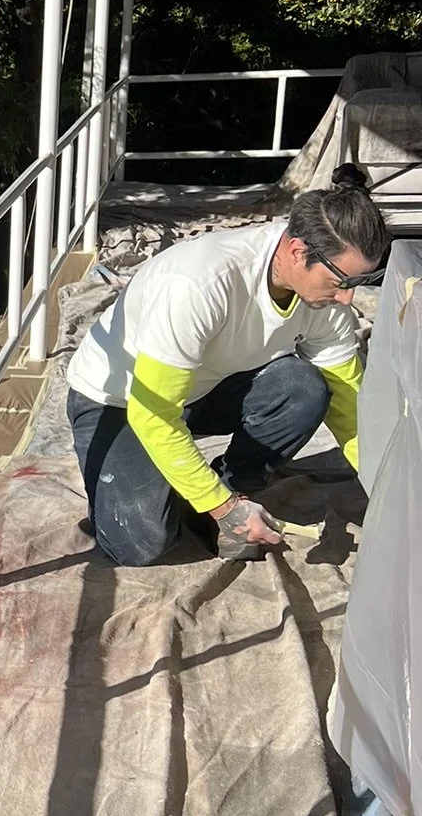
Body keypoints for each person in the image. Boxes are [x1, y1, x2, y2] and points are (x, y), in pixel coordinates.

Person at [66, 167, 388, 565]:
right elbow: (152, 414)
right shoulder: (200, 284)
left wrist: (386, 487)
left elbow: (350, 404)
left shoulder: (326, 299)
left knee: (303, 387)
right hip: (119, 402)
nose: (346, 298)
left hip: (203, 389)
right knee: (140, 545)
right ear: (297, 252)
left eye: (361, 280)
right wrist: (223, 511)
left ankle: (229, 485)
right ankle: (198, 499)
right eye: (340, 280)